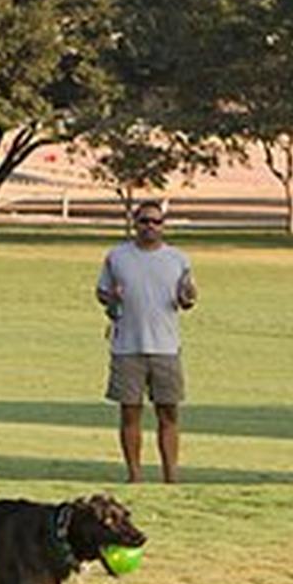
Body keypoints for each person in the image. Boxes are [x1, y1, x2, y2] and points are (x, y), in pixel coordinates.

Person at [95, 200, 197, 483]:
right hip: (127, 347)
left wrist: (188, 298)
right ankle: (135, 475)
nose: (150, 227)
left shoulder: (178, 259)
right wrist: (112, 297)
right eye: (144, 221)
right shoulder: (117, 257)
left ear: (163, 226)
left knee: (169, 413)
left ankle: (171, 476)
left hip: (166, 347)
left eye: (156, 222)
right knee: (130, 413)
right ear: (134, 223)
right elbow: (102, 292)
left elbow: (187, 297)